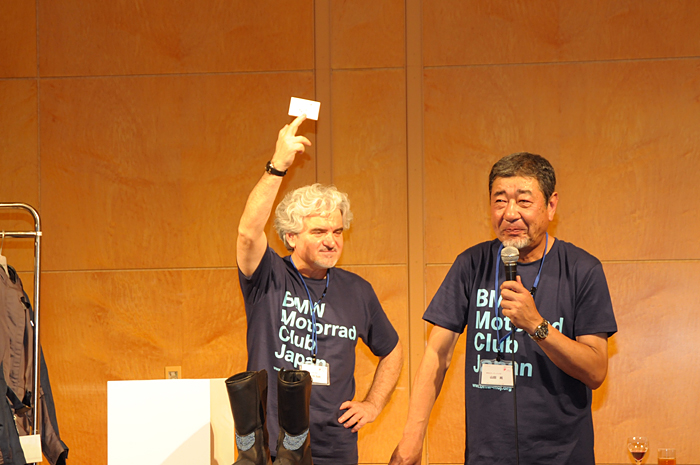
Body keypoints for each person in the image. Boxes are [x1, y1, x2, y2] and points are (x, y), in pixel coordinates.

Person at [389, 152, 617, 465]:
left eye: (523, 201)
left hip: (562, 456)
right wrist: (411, 439)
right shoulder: (471, 264)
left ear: (551, 205)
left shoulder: (582, 270)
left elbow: (595, 370)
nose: (510, 214)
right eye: (499, 201)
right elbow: (437, 355)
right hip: (487, 455)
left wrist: (536, 325)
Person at [237, 114, 403, 465]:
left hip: (335, 448)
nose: (332, 241)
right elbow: (249, 233)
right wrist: (277, 167)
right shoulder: (267, 276)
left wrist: (372, 404)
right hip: (273, 448)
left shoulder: (357, 290)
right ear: (290, 237)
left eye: (337, 231)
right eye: (318, 232)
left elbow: (392, 350)